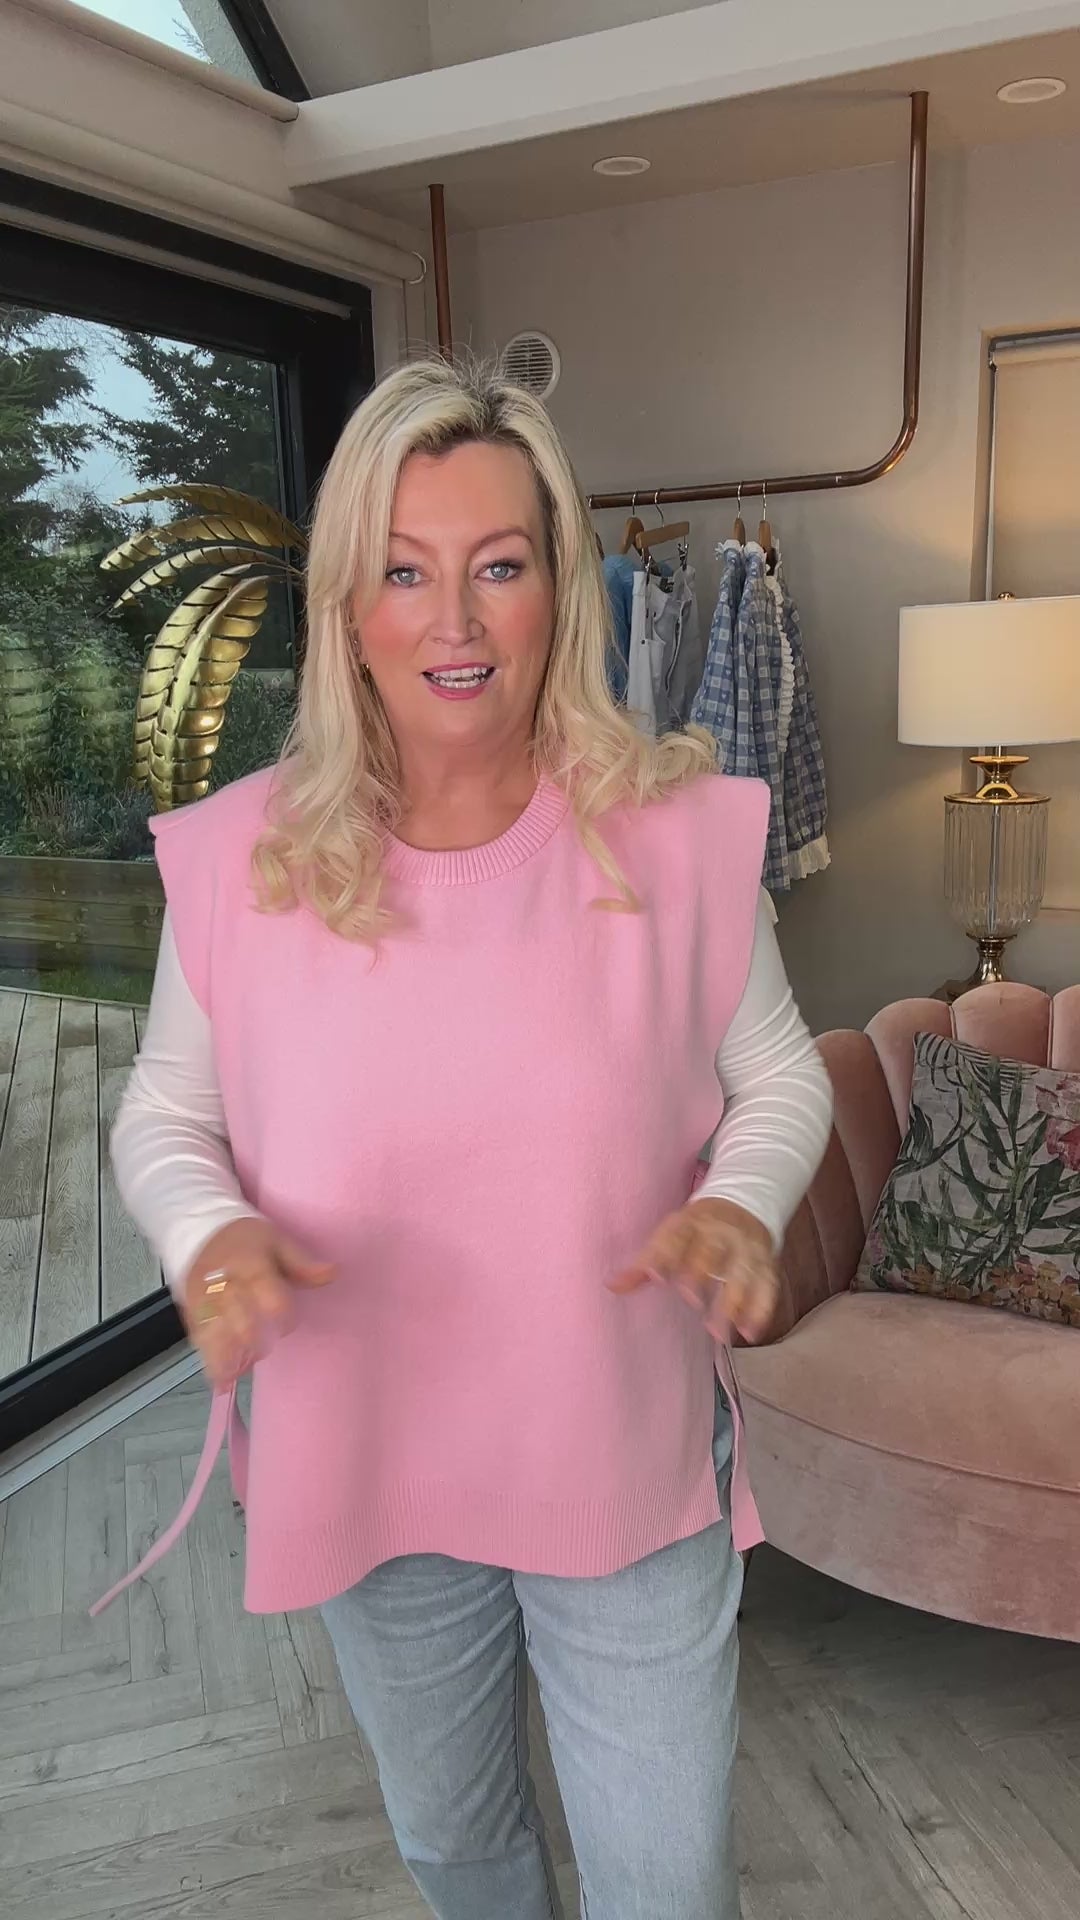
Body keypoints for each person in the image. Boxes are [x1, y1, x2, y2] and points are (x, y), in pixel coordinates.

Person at [108, 356, 833, 1920]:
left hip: (620, 1451)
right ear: (344, 605)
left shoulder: (679, 838)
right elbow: (165, 1112)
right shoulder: (238, 861)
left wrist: (745, 1200)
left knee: (668, 1880)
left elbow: (779, 1076)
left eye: (498, 567)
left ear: (557, 588)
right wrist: (207, 1231)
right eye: (404, 572)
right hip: (366, 1447)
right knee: (458, 1848)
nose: (454, 621)